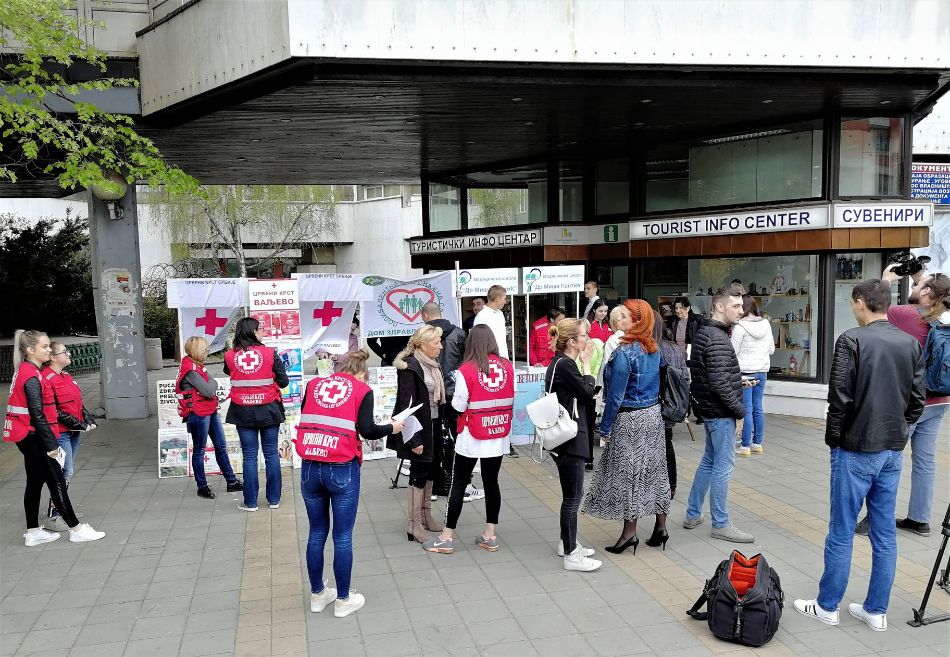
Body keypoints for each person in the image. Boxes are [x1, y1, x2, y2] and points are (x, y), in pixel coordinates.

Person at [794, 279, 924, 633]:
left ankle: (827, 605)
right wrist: (900, 430)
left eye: (854, 302)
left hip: (855, 447)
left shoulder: (851, 339)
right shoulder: (910, 343)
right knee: (884, 533)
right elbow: (917, 400)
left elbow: (839, 397)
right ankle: (876, 610)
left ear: (861, 302)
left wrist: (835, 440)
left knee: (841, 530)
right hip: (892, 449)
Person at [298, 349, 405, 618]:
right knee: (342, 536)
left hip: (310, 466)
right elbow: (368, 430)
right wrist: (392, 428)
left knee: (316, 532)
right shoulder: (361, 390)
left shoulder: (313, 385)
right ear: (361, 374)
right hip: (341, 468)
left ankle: (317, 595)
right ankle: (343, 600)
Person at [855, 267, 950, 537]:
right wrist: (925, 280)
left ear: (928, 292)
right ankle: (920, 519)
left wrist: (886, 278)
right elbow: (930, 293)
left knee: (887, 458)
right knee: (925, 461)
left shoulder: (906, 315)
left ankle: (874, 518)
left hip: (911, 403)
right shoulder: (945, 319)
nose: (914, 287)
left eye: (919, 285)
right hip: (941, 400)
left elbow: (876, 307)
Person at [583, 300, 670, 554]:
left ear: (636, 320)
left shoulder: (624, 353)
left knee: (630, 476)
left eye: (626, 316)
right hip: (653, 416)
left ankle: (629, 533)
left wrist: (605, 428)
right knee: (655, 471)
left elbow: (616, 396)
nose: (620, 319)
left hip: (630, 419)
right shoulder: (653, 348)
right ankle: (661, 528)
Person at [3, 330, 105, 545]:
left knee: (35, 482)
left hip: (26, 435)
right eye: (45, 346)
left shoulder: (27, 370)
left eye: (49, 346)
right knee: (57, 482)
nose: (49, 349)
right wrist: (51, 445)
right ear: (30, 350)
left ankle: (32, 532)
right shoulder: (31, 376)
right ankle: (76, 529)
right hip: (33, 436)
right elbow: (37, 414)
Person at [423, 326, 513, 554]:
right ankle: (490, 535)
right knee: (492, 482)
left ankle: (446, 537)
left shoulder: (466, 370)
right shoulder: (508, 366)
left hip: (472, 434)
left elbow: (459, 404)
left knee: (459, 482)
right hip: (498, 433)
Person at [683, 284, 753, 543]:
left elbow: (716, 377)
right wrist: (740, 412)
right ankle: (721, 523)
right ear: (719, 307)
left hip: (712, 411)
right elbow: (720, 384)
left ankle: (692, 514)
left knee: (710, 461)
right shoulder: (716, 337)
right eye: (735, 306)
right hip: (720, 413)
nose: (741, 310)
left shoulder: (707, 333)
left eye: (741, 305)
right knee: (723, 466)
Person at [546, 318, 601, 571]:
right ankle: (570, 554)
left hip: (564, 437)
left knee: (571, 495)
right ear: (571, 341)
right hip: (569, 438)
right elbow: (586, 393)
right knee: (573, 497)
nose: (587, 341)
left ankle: (565, 542)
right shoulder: (566, 365)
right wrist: (588, 364)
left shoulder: (559, 363)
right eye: (583, 336)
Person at [224, 317, 289, 512]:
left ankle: (251, 502)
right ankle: (274, 499)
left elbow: (230, 372)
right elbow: (284, 381)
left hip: (242, 411)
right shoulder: (270, 353)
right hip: (268, 409)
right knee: (271, 454)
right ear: (252, 332)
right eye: (259, 329)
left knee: (249, 456)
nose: (262, 333)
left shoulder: (229, 356)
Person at [388, 324, 445, 542]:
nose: (440, 346)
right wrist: (413, 439)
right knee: (418, 474)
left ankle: (425, 514)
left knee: (431, 470)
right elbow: (406, 404)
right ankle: (413, 525)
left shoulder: (431, 363)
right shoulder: (409, 367)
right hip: (419, 428)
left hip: (434, 424)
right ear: (422, 345)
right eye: (436, 343)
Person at [176, 336, 242, 499]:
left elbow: (210, 385)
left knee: (221, 446)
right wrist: (212, 386)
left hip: (208, 410)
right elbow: (208, 389)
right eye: (205, 349)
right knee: (199, 451)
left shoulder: (195, 365)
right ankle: (202, 486)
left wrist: (211, 386)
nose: (207, 352)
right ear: (198, 350)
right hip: (199, 413)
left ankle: (231, 481)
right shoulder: (191, 369)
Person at [41, 341, 97, 523]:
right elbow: (53, 410)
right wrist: (78, 423)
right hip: (61, 433)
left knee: (67, 471)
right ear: (53, 358)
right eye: (64, 352)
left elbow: (77, 403)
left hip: (73, 432)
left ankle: (61, 508)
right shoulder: (47, 379)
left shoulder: (65, 376)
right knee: (66, 471)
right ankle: (56, 511)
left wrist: (87, 418)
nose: (69, 354)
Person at [421, 301, 467, 498]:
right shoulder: (459, 333)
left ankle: (434, 482)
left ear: (425, 316)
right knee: (458, 437)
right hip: (455, 392)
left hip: (430, 394)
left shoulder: (422, 336)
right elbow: (466, 362)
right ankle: (459, 481)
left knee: (433, 438)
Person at [731, 294, 775, 456]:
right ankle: (757, 443)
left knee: (747, 409)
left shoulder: (740, 327)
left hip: (746, 372)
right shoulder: (766, 324)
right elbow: (771, 349)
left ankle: (745, 446)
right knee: (758, 407)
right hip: (762, 370)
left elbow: (733, 351)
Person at [656, 321, 685, 499]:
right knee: (667, 445)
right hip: (672, 404)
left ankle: (658, 485)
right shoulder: (674, 348)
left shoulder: (652, 348)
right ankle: (671, 485)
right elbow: (685, 377)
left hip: (655, 403)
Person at [474, 285, 509, 359]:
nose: (505, 302)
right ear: (497, 299)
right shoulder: (481, 316)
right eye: (504, 298)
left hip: (503, 358)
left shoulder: (500, 313)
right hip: (489, 360)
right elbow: (478, 342)